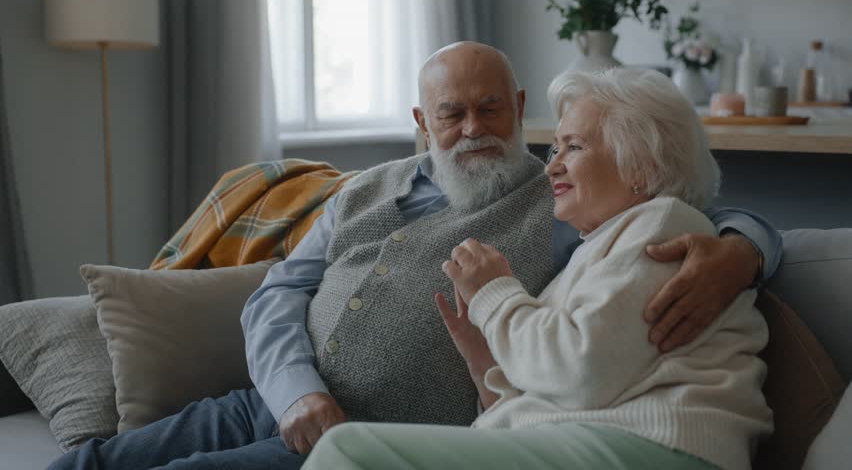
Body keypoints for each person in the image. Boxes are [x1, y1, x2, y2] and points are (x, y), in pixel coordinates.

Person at [49, 43, 780, 470]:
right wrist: (294, 389)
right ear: (420, 123)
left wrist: (740, 253)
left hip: (369, 438)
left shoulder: (564, 199)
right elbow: (278, 294)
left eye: (491, 108)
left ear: (518, 104)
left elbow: (681, 199)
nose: (472, 130)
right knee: (94, 461)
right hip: (272, 401)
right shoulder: (363, 191)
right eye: (451, 114)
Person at [300, 67, 774, 470]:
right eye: (555, 150)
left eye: (574, 148)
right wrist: (484, 361)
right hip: (600, 438)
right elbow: (564, 387)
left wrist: (496, 294)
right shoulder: (601, 245)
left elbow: (581, 372)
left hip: (660, 445)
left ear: (642, 167)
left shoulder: (661, 225)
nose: (552, 168)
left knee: (347, 450)